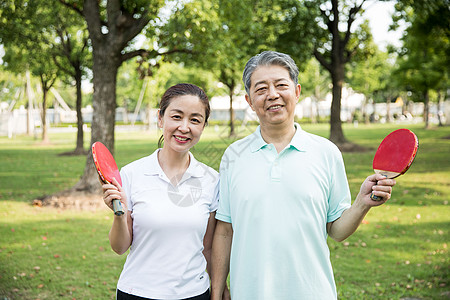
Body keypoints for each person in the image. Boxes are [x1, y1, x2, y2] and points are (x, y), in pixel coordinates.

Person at [210, 51, 396, 300]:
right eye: (261, 88)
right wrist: (216, 290)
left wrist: (362, 203)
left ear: (296, 92)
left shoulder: (327, 152)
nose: (272, 94)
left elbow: (337, 230)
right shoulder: (233, 155)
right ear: (249, 100)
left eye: (281, 85)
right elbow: (224, 230)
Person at [102, 83, 227, 300]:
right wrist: (118, 213)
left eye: (195, 120)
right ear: (161, 118)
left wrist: (218, 291)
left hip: (194, 294)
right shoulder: (132, 173)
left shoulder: (211, 180)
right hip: (138, 293)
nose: (184, 127)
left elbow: (208, 248)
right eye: (176, 116)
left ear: (203, 126)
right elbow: (120, 247)